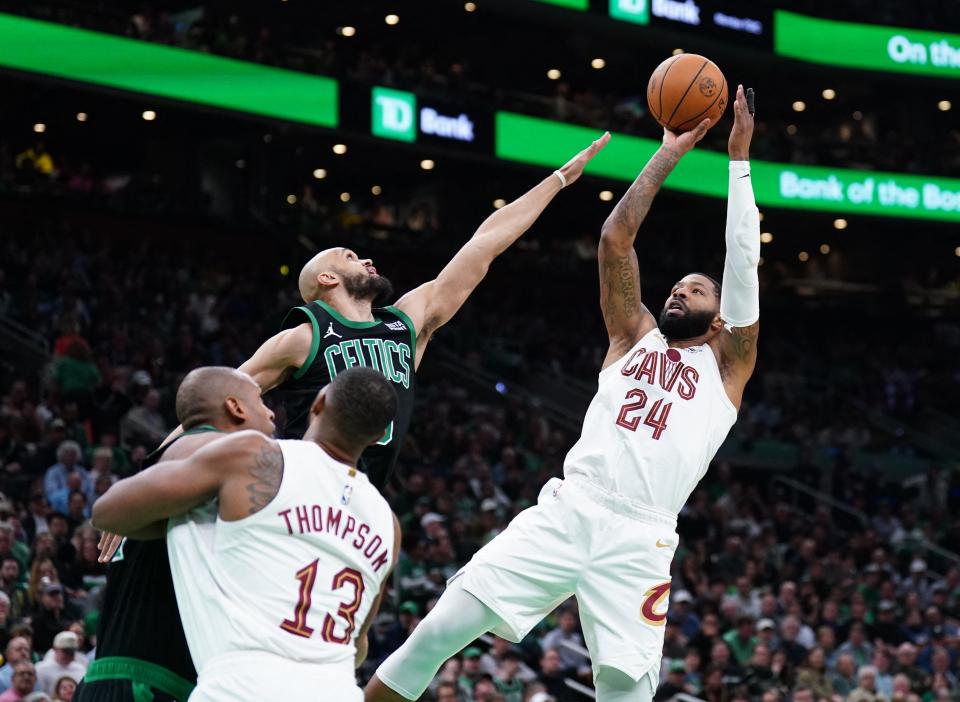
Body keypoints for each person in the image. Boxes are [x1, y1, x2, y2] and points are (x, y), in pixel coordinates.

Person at [366, 85, 760, 702]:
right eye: (678, 285)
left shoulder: (729, 366)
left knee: (626, 693)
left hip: (643, 538)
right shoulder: (634, 335)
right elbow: (615, 241)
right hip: (571, 506)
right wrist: (668, 154)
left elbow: (743, 268)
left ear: (720, 320)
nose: (680, 292)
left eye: (697, 291)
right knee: (439, 629)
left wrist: (738, 161)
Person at [229, 136, 608, 488]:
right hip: (299, 488)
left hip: (363, 497)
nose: (366, 259)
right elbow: (220, 396)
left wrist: (559, 179)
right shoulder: (304, 338)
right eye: (351, 257)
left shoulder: (404, 323)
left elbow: (485, 244)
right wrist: (174, 454)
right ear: (328, 278)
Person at [93, 367, 401, 701]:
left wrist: (180, 518)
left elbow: (108, 512)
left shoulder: (258, 458)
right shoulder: (388, 524)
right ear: (378, 436)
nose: (270, 411)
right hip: (337, 689)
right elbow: (358, 647)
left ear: (319, 402)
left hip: (244, 685)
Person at [75, 367, 277, 702]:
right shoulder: (204, 447)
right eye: (260, 399)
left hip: (118, 678)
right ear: (235, 407)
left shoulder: (169, 470)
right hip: (149, 684)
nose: (270, 412)